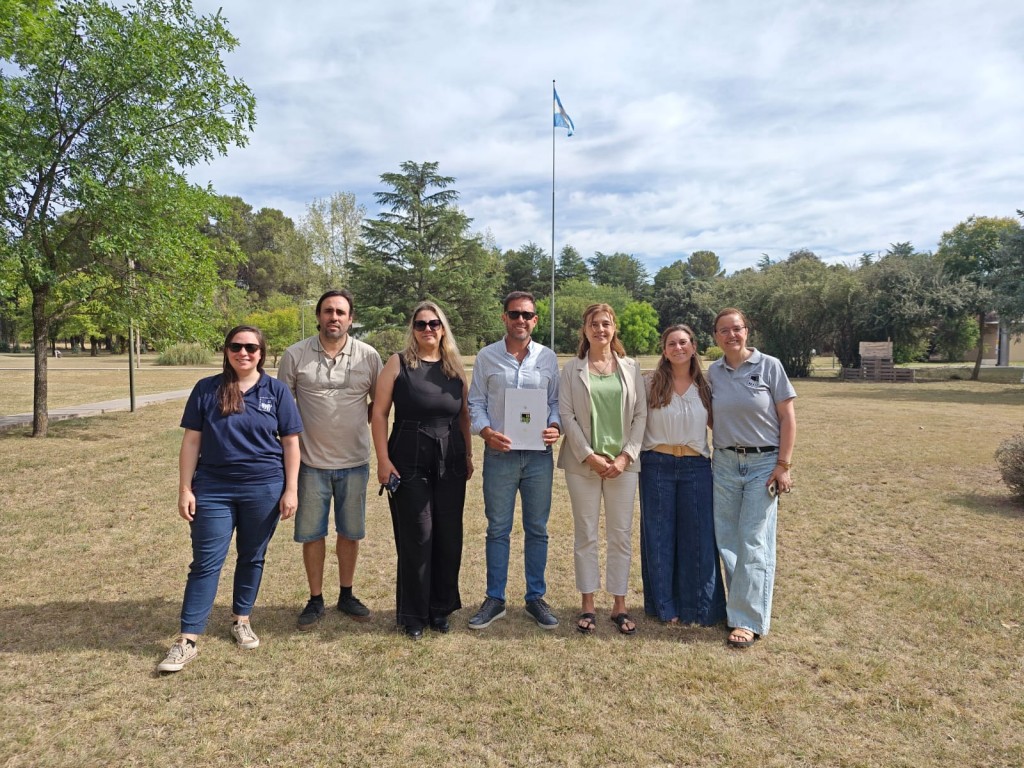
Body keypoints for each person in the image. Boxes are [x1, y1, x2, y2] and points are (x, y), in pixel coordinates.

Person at [158, 326, 302, 673]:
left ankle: (241, 619)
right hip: (213, 489)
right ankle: (187, 640)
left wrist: (291, 489)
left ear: (261, 352)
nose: (244, 353)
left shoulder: (276, 391)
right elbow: (192, 441)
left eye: (251, 347)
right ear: (226, 351)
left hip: (264, 489)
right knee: (206, 563)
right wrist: (184, 489)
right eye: (236, 346)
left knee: (252, 556)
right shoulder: (208, 389)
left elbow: (291, 443)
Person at [278, 290, 383, 630]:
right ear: (318, 316)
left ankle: (347, 594)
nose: (333, 317)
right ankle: (315, 598)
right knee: (312, 534)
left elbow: (381, 405)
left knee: (350, 533)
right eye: (327, 311)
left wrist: (361, 417)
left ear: (351, 318)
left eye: (340, 312)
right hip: (310, 465)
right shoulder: (295, 355)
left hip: (354, 462)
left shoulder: (368, 356)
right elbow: (283, 409)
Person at [371, 302, 473, 640]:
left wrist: (469, 456)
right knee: (418, 536)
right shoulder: (398, 363)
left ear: (443, 328)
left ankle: (440, 609)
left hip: (451, 458)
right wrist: (383, 461)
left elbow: (464, 417)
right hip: (408, 456)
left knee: (448, 536)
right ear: (413, 329)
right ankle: (412, 615)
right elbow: (380, 414)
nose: (428, 329)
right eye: (420, 324)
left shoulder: (455, 368)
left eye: (434, 323)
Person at [467, 291, 562, 630]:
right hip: (500, 455)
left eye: (527, 315)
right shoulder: (486, 357)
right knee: (498, 529)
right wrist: (486, 432)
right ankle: (495, 598)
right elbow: (474, 403)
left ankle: (535, 597)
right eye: (514, 314)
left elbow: (555, 403)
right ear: (504, 317)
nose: (520, 320)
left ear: (535, 319)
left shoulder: (548, 358)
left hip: (538, 458)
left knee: (537, 529)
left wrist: (554, 425)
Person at [708, 308, 796, 648]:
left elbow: (788, 418)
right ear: (715, 336)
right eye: (723, 330)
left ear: (747, 331)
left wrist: (783, 465)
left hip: (764, 464)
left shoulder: (769, 366)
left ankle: (747, 620)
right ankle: (738, 608)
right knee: (727, 539)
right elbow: (714, 416)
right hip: (726, 463)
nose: (731, 335)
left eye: (737, 329)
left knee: (753, 540)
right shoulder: (713, 373)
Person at [558, 303, 646, 635]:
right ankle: (588, 604)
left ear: (614, 329)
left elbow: (640, 416)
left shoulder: (631, 368)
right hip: (583, 466)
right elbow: (567, 416)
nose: (600, 329)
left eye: (606, 324)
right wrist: (589, 455)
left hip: (623, 467)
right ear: (585, 330)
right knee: (586, 536)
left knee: (621, 536)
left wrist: (625, 457)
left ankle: (620, 605)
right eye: (594, 324)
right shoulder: (571, 370)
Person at [639, 325, 726, 627]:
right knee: (660, 536)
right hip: (656, 465)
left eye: (684, 342)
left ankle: (700, 607)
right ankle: (664, 606)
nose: (678, 348)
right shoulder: (649, 382)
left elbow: (721, 423)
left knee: (699, 537)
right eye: (671, 343)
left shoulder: (707, 385)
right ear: (664, 349)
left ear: (693, 346)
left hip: (696, 467)